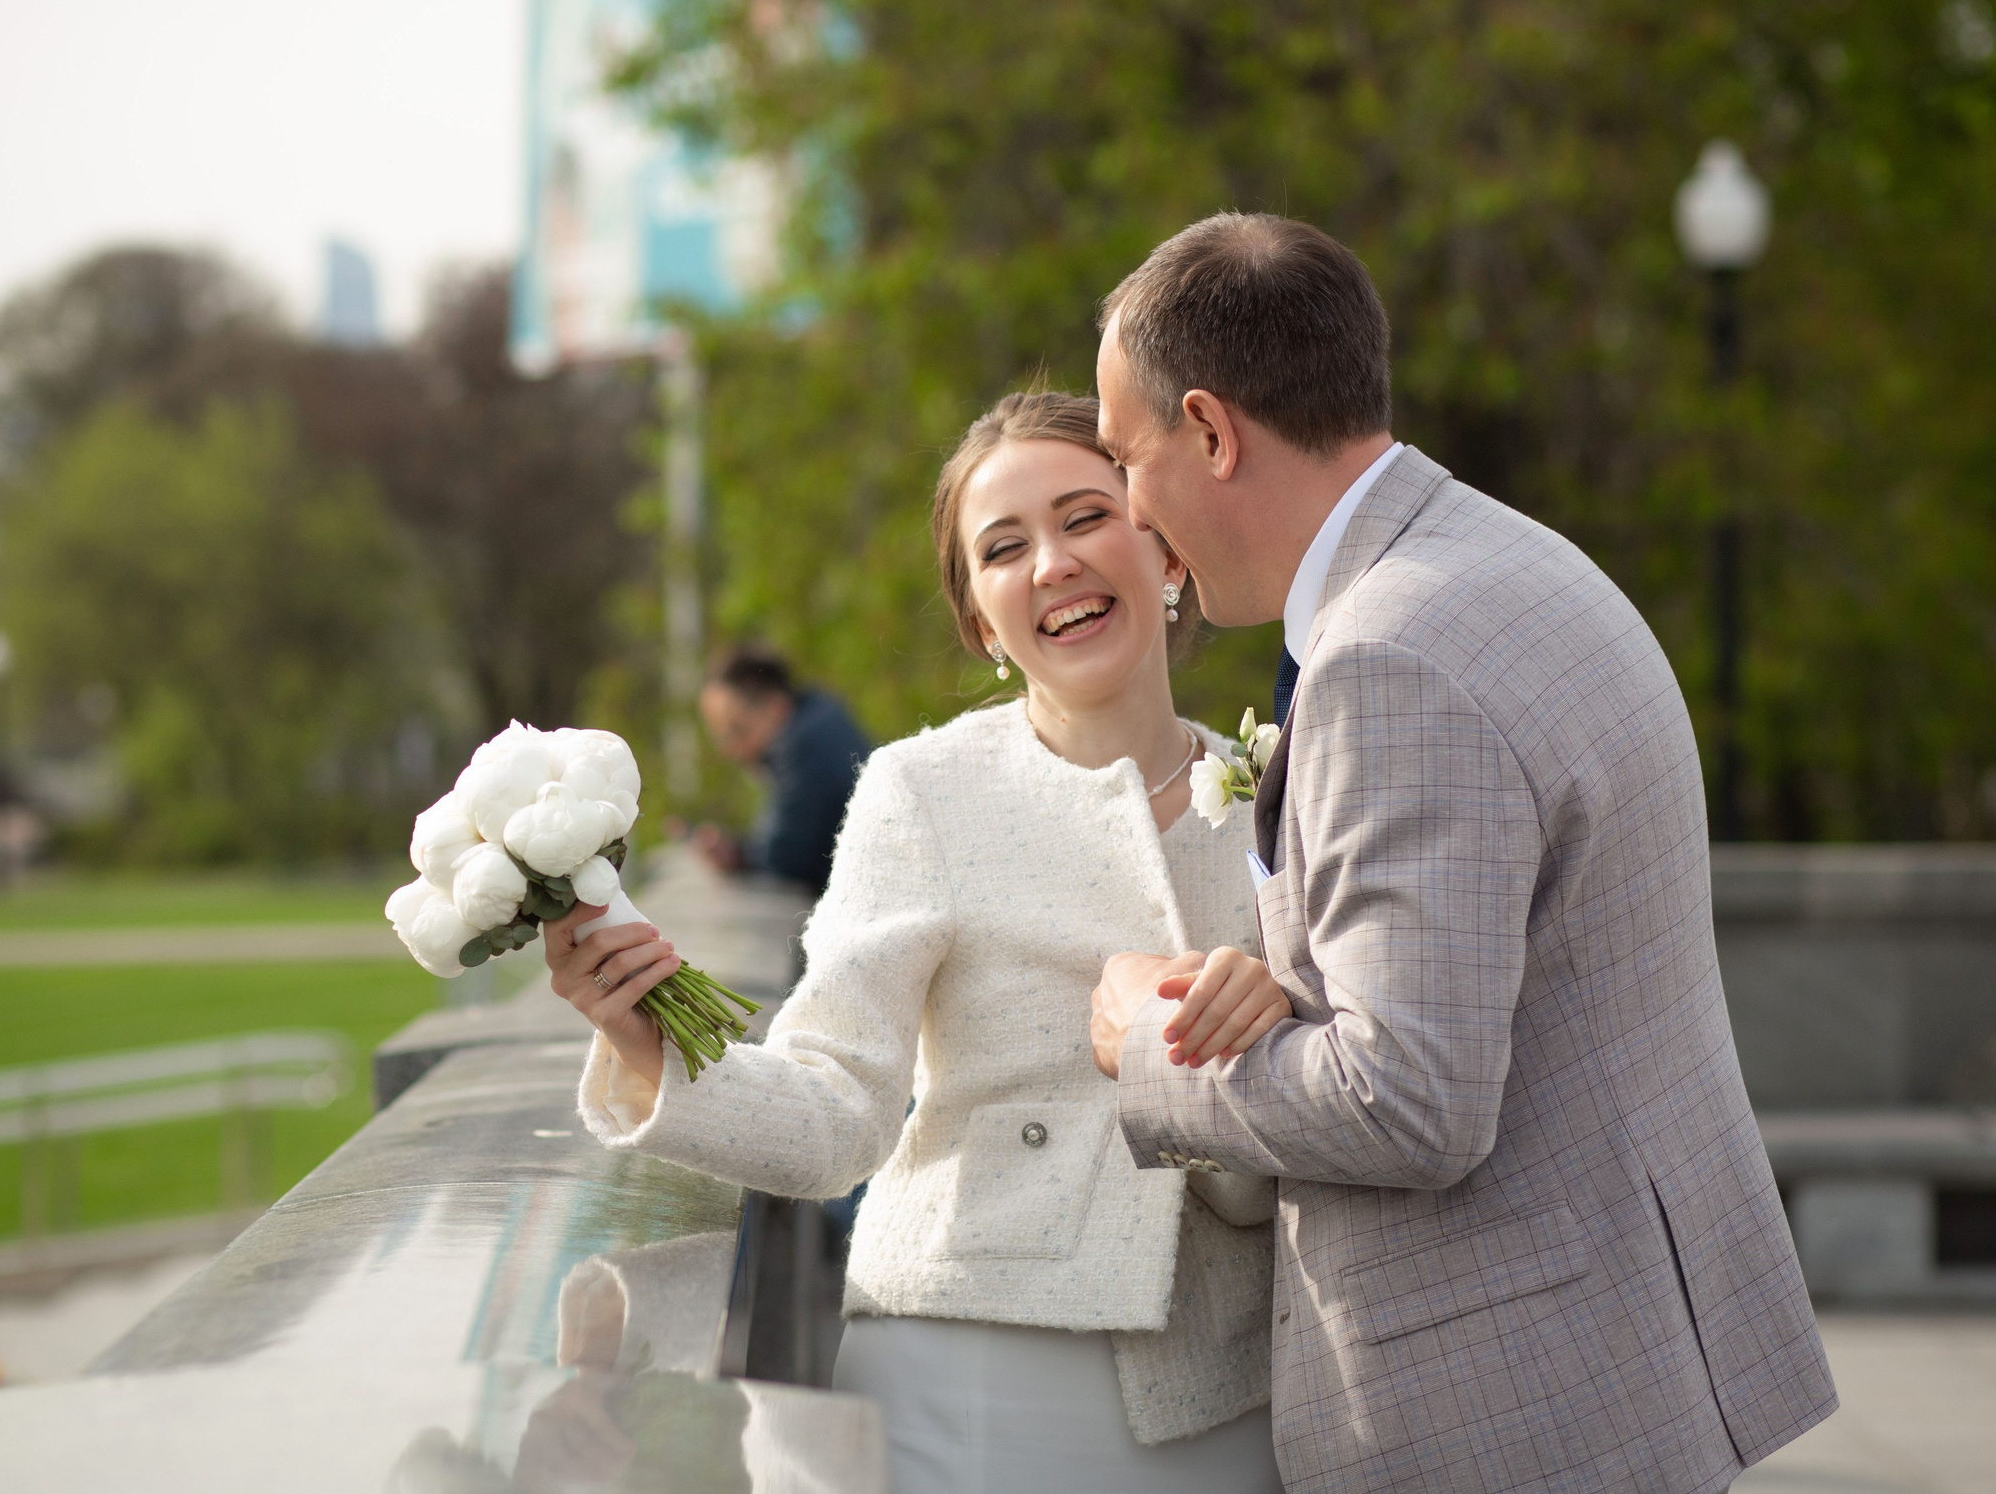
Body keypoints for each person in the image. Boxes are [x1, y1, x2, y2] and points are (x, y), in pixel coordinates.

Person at [1087, 213, 1838, 1493]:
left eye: (1124, 457)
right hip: (1615, 1354)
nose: (1129, 509)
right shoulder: (1505, 558)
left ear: (1210, 432)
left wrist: (1142, 1045)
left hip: (1512, 1408)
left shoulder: (1388, 661)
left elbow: (1409, 1103)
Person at [547, 391, 1299, 1494]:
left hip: (1223, 1391)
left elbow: (1352, 1098)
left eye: (1086, 516)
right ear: (983, 624)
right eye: (1004, 548)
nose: (1053, 563)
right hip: (963, 1377)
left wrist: (1259, 1036)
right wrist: (646, 1040)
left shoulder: (1287, 793)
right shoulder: (924, 790)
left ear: (1166, 547)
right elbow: (839, 1107)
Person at [692, 648, 873, 897]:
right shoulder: (819, 715)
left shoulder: (803, 746)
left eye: (737, 731)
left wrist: (737, 855)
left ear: (776, 707)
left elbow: (784, 857)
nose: (729, 751)